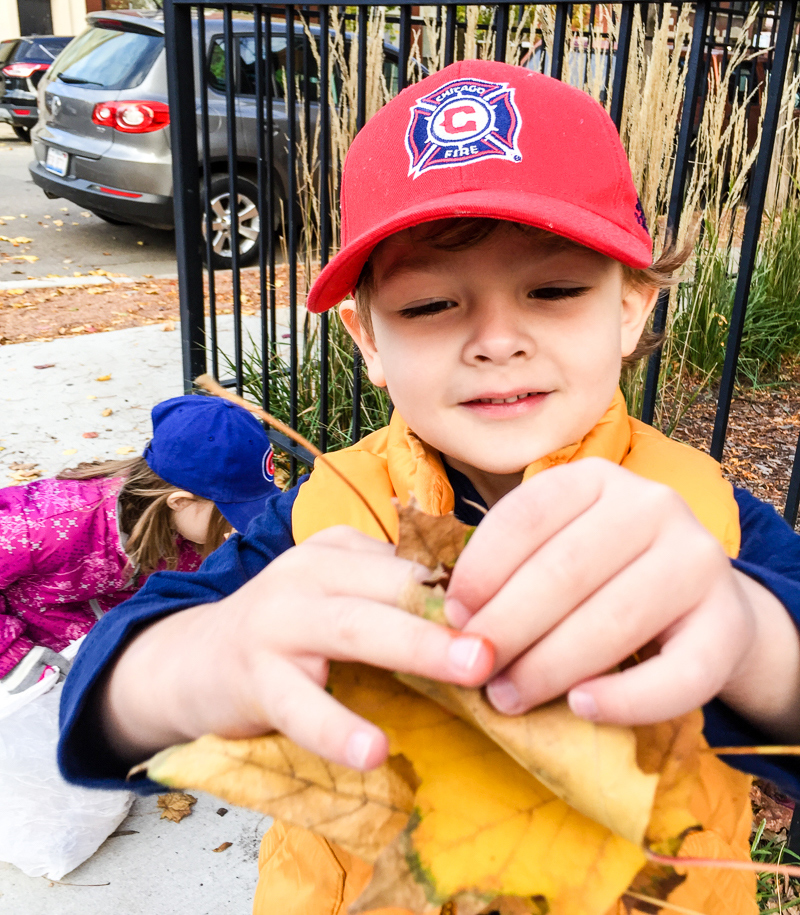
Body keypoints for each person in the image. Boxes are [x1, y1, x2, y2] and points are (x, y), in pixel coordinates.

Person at [58, 63, 800, 915]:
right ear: (365, 337)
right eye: (431, 305)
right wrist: (206, 658)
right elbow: (106, 691)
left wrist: (749, 636)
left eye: (553, 290)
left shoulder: (705, 532)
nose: (496, 340)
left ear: (631, 305)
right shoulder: (321, 527)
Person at [0, 393, 278, 706]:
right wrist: (13, 657)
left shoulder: (180, 532)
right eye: (228, 513)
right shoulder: (50, 524)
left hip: (83, 652)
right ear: (180, 501)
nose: (238, 526)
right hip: (25, 663)